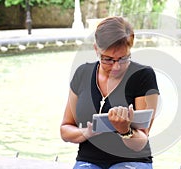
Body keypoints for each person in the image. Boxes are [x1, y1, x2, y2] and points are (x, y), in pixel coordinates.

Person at [60, 16, 160, 169]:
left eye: (123, 58)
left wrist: (125, 130)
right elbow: (65, 129)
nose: (116, 67)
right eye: (108, 59)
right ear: (96, 49)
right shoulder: (83, 73)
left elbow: (141, 141)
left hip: (132, 160)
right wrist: (87, 133)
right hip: (89, 160)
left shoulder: (143, 75)